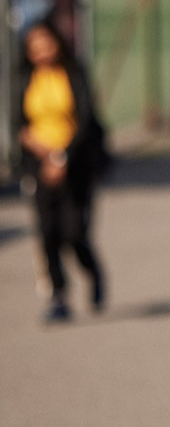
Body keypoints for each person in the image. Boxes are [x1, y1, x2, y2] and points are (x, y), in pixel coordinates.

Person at [15, 20, 109, 323]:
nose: (41, 51)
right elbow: (19, 123)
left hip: (75, 163)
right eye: (35, 47)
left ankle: (93, 272)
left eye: (46, 43)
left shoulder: (74, 73)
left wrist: (62, 156)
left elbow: (86, 120)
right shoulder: (26, 79)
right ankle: (58, 296)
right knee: (47, 233)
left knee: (74, 233)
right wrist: (39, 151)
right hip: (39, 166)